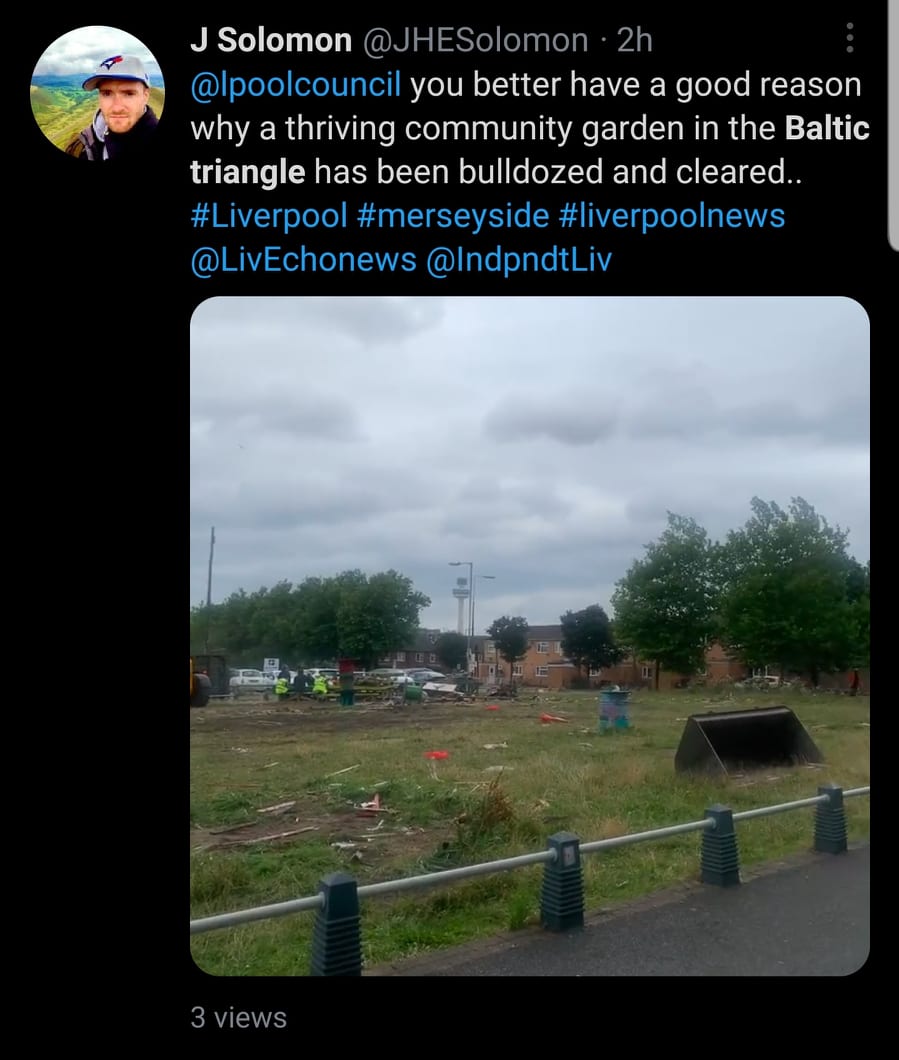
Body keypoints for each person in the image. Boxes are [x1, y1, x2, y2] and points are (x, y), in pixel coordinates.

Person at [65, 54, 158, 160]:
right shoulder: (81, 147)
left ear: (145, 96)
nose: (117, 108)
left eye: (129, 94)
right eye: (107, 93)